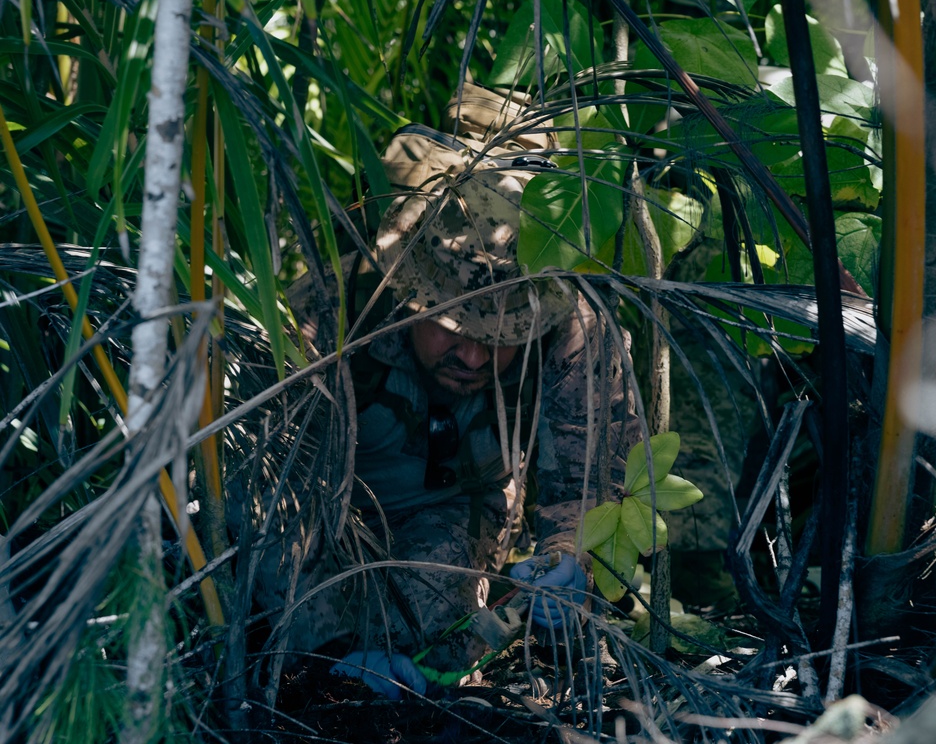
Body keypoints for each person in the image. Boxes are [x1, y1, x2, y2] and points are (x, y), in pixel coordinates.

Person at [246, 85, 640, 700]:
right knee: (308, 656)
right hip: (324, 509)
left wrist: (568, 559)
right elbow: (273, 497)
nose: (476, 357)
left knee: (434, 636)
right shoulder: (328, 316)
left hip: (456, 513)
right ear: (407, 291)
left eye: (505, 335)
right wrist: (326, 644)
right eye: (455, 328)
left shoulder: (570, 327)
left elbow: (590, 481)